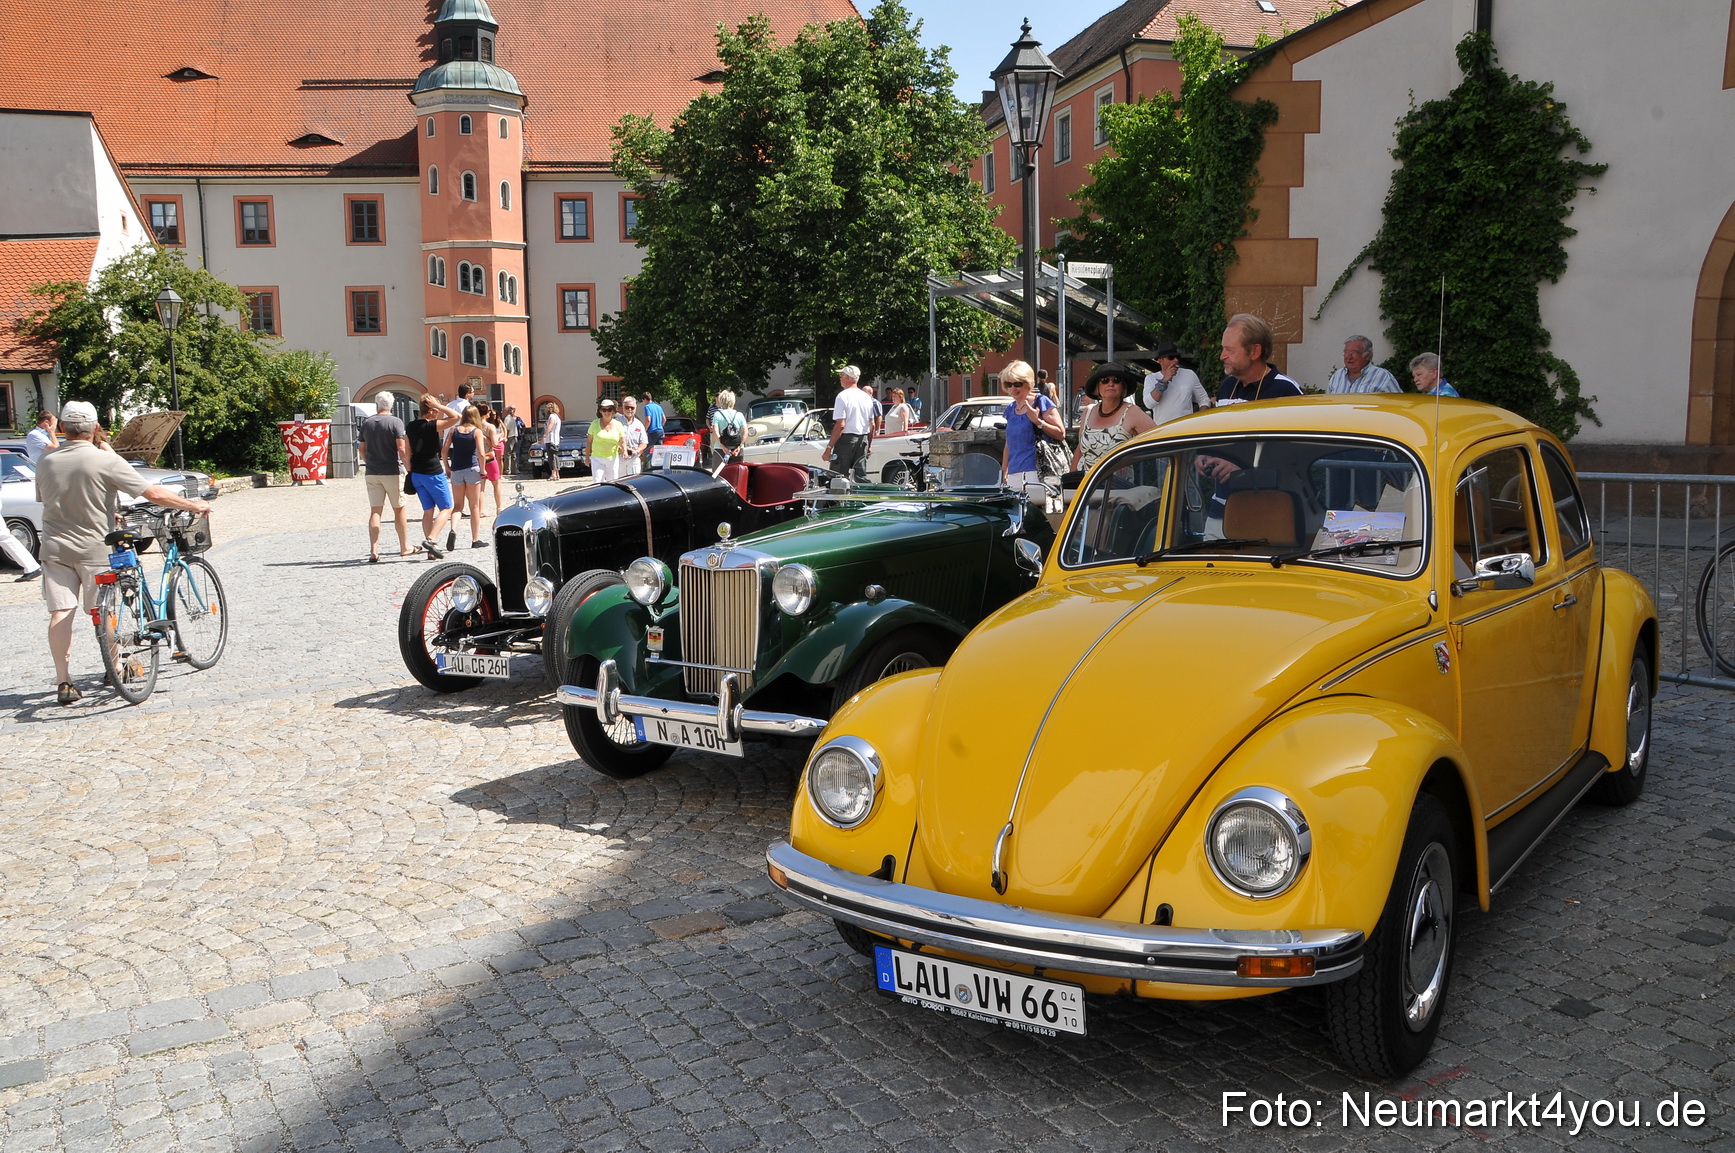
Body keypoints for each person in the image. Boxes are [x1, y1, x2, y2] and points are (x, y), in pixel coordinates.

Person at [34, 400, 211, 704]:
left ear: (62, 428)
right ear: (95, 428)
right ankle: (115, 668)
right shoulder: (105, 460)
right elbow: (152, 493)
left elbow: (51, 499)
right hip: (95, 548)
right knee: (103, 612)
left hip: (56, 547)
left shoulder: (45, 461)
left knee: (61, 612)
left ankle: (64, 681)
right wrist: (192, 504)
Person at [357, 391, 412, 562]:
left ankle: (374, 550)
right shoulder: (396, 422)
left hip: (372, 472)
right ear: (392, 405)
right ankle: (404, 546)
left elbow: (361, 448)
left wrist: (368, 462)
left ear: (377, 405)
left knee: (375, 511)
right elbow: (401, 448)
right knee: (399, 509)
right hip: (392, 470)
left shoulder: (367, 423)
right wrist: (408, 467)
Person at [1072, 364, 1155, 473]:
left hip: (1117, 482)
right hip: (1086, 481)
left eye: (1116, 380)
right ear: (1097, 387)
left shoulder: (1132, 412)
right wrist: (1070, 479)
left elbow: (1159, 441)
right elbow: (1079, 450)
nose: (1110, 384)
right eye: (1104, 380)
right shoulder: (1088, 411)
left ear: (1123, 387)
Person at [406, 393, 462, 558]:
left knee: (428, 510)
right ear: (430, 410)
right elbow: (456, 417)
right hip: (432, 472)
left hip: (417, 473)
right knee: (446, 507)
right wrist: (440, 406)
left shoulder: (410, 426)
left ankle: (431, 550)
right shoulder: (431, 426)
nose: (438, 413)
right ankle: (431, 539)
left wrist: (410, 470)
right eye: (436, 410)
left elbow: (407, 451)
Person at [1000, 360, 1065, 491]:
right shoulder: (1011, 409)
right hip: (1013, 474)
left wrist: (1038, 421)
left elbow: (1061, 433)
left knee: (1037, 505)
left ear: (1028, 383)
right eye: (1008, 384)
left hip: (1038, 473)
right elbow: (1009, 444)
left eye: (1017, 384)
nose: (1012, 388)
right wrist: (1003, 472)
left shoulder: (1041, 402)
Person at [1216, 314, 1302, 406]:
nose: (1222, 356)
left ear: (1255, 351)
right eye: (1223, 348)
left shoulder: (1286, 390)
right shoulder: (1227, 386)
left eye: (1230, 350)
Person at [444, 405, 494, 548]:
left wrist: (447, 467)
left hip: (456, 469)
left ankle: (453, 530)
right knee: (474, 506)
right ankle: (475, 539)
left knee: (458, 506)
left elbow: (444, 450)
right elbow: (481, 454)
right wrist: (483, 470)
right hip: (472, 469)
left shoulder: (453, 430)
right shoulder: (476, 431)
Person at [821, 367, 875, 482]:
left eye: (842, 375)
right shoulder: (866, 397)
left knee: (839, 478)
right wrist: (869, 445)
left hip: (846, 441)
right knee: (860, 478)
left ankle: (840, 495)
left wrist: (829, 448)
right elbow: (872, 425)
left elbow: (840, 424)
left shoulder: (842, 396)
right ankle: (861, 493)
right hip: (863, 439)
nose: (840, 378)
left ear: (848, 378)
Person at [1143, 342, 1212, 424]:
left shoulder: (1189, 374)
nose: (1176, 360)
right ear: (1160, 360)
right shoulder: (1151, 378)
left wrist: (1201, 420)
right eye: (1171, 357)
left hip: (1186, 428)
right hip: (1163, 429)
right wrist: (1164, 380)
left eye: (1177, 357)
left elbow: (1203, 399)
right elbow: (1149, 404)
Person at [1326, 335, 1401, 395]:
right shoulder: (1337, 376)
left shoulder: (1383, 377)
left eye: (1354, 353)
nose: (1348, 357)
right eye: (1346, 352)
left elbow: (1397, 403)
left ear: (1367, 355)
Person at [587, 398, 626, 482]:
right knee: (598, 482)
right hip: (597, 458)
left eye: (609, 409)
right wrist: (587, 457)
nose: (606, 412)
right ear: (600, 411)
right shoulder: (594, 423)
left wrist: (625, 451)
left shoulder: (618, 424)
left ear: (613, 411)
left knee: (613, 482)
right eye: (604, 410)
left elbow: (623, 441)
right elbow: (589, 442)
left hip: (612, 458)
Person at [708, 390, 745, 470]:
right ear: (733, 401)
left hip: (720, 449)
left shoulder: (717, 414)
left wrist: (722, 445)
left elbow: (715, 431)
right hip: (737, 450)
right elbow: (745, 432)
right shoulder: (739, 415)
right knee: (737, 473)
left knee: (718, 473)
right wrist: (739, 446)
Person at [483, 408, 507, 514]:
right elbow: (493, 443)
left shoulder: (475, 426)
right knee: (496, 483)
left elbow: (504, 428)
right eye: (490, 413)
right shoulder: (489, 426)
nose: (492, 415)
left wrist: (504, 436)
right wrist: (499, 436)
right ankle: (499, 507)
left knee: (481, 485)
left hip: (479, 456)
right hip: (489, 455)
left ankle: (480, 509)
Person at [619, 396, 648, 476]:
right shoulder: (616, 422)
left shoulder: (639, 424)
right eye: (627, 407)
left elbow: (644, 442)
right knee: (618, 481)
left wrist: (637, 450)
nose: (629, 410)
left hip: (634, 458)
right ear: (623, 407)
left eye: (632, 408)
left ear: (635, 408)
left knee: (634, 481)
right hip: (619, 458)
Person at [503, 405, 524, 474]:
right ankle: (514, 469)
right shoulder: (511, 418)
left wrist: (505, 437)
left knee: (507, 454)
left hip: (510, 437)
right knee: (514, 454)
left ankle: (508, 470)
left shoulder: (507, 419)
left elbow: (507, 429)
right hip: (515, 437)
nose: (502, 413)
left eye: (503, 411)